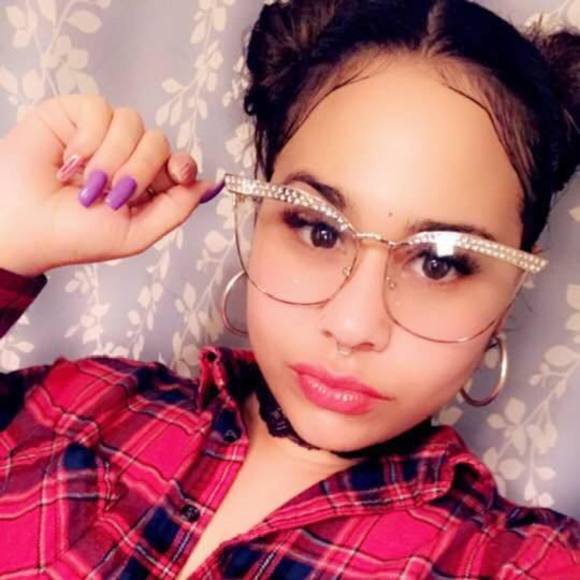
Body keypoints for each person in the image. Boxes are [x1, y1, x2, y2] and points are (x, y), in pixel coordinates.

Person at [1, 0, 579, 577]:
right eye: (320, 230)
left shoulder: (520, 562)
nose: (352, 326)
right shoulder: (79, 407)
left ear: (511, 289)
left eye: (439, 263)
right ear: (261, 215)